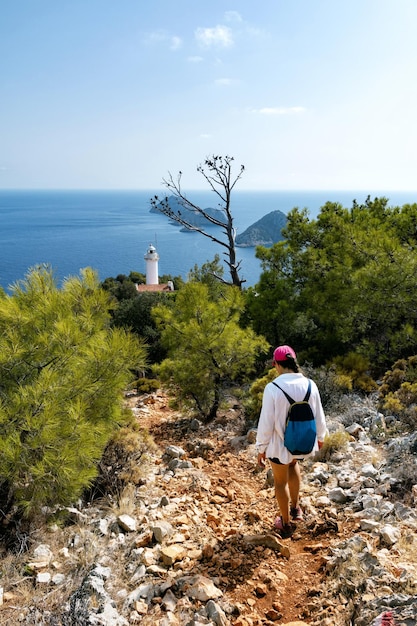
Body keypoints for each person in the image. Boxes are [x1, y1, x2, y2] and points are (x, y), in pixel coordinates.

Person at [256, 345, 327, 537]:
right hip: (302, 442)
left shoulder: (273, 388)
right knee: (293, 465)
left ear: (276, 364)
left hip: (279, 446)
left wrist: (261, 448)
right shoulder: (310, 384)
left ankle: (285, 523)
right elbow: (319, 414)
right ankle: (296, 509)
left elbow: (266, 422)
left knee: (280, 482)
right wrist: (320, 437)